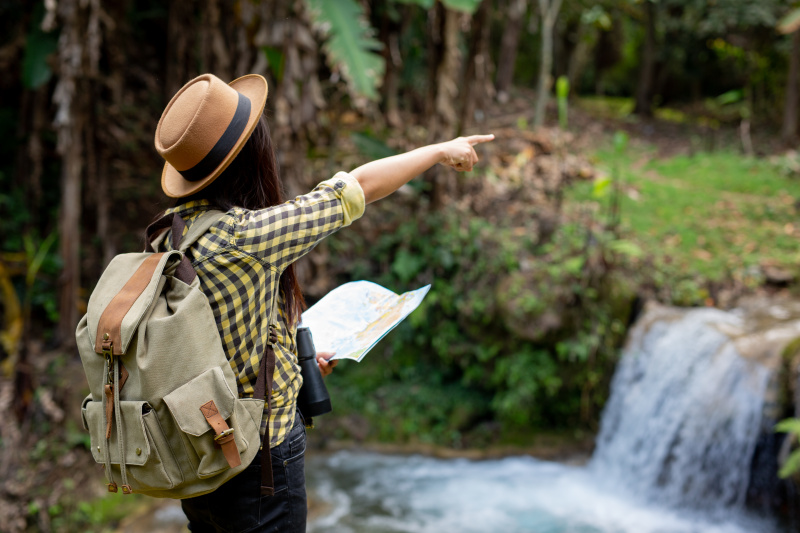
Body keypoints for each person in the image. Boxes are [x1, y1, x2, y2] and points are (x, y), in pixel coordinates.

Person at [151, 73, 493, 533]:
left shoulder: (167, 235)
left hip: (201, 457)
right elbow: (357, 188)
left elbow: (214, 342)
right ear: (251, 156)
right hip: (260, 463)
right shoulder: (246, 237)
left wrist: (289, 360)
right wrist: (438, 150)